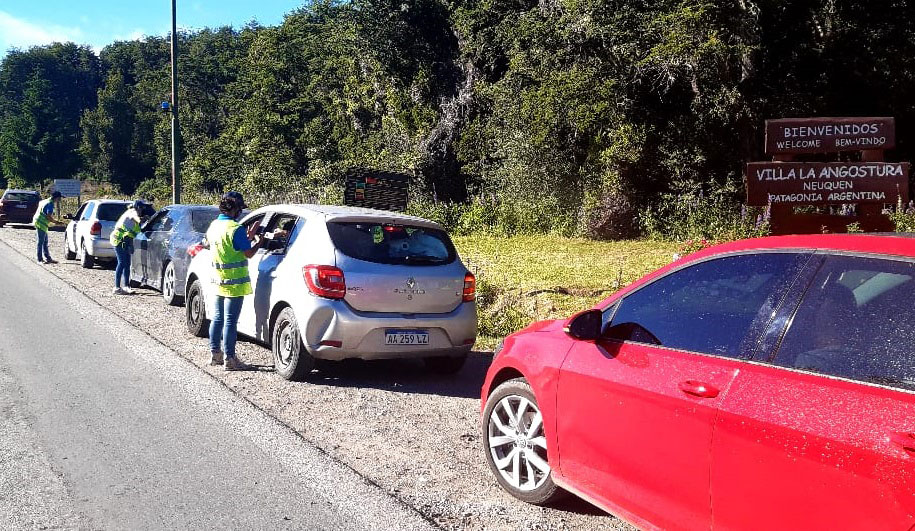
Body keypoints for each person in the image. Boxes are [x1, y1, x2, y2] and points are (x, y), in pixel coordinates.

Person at [206, 191, 264, 371]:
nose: (241, 212)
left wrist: (246, 238)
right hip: (235, 283)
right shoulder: (235, 228)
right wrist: (259, 241)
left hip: (218, 279)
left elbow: (227, 247)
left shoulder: (214, 226)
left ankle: (215, 353)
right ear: (235, 209)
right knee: (230, 321)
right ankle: (230, 359)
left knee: (217, 318)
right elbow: (248, 253)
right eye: (240, 209)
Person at [110, 200, 145, 295]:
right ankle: (116, 287)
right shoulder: (132, 212)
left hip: (126, 241)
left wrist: (131, 245)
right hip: (118, 240)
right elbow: (135, 217)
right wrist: (140, 220)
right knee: (121, 263)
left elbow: (131, 234)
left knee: (127, 263)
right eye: (141, 209)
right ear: (137, 208)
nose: (141, 211)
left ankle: (126, 286)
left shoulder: (133, 216)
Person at [33, 190, 63, 264]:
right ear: (56, 198)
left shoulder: (45, 201)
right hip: (41, 223)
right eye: (59, 198)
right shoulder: (50, 204)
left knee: (45, 242)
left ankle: (48, 258)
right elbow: (48, 216)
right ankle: (39, 259)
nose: (60, 200)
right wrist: (56, 222)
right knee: (40, 242)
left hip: (39, 221)